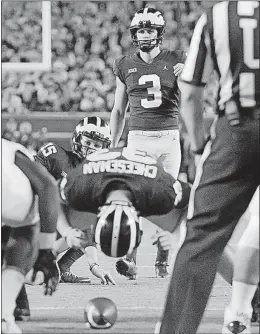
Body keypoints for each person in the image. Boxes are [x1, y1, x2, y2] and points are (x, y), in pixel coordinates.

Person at [157, 1, 260, 333]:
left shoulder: (218, 15)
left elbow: (189, 93)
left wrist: (200, 147)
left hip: (239, 129)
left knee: (201, 236)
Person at [110, 7, 186, 278]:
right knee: (132, 199)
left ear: (159, 33)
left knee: (167, 201)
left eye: (149, 30)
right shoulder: (124, 64)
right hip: (138, 139)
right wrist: (112, 144)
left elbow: (192, 95)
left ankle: (162, 259)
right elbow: (119, 110)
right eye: (140, 30)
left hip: (168, 138)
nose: (144, 35)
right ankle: (130, 259)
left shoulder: (177, 60)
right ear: (134, 34)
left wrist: (185, 75)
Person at [58, 146, 191, 259]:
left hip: (138, 181)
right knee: (54, 217)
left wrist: (176, 236)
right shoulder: (160, 190)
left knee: (57, 216)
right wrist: (66, 232)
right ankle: (48, 252)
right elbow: (193, 196)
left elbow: (193, 196)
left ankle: (48, 251)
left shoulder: (158, 189)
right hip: (132, 182)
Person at [1, 139, 60, 334]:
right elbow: (48, 186)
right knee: (28, 225)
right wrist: (46, 251)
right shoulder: (9, 149)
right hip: (10, 194)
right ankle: (5, 315)